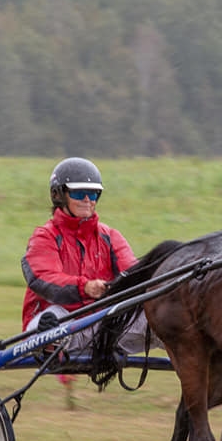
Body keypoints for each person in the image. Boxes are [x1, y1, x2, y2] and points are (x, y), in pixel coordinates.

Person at [21, 157, 150, 409]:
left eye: (94, 194)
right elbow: (44, 278)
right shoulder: (44, 237)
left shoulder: (110, 236)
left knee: (160, 316)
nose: (88, 200)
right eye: (80, 193)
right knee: (53, 319)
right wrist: (86, 287)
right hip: (59, 322)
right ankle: (49, 345)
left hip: (104, 328)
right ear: (59, 195)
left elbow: (134, 274)